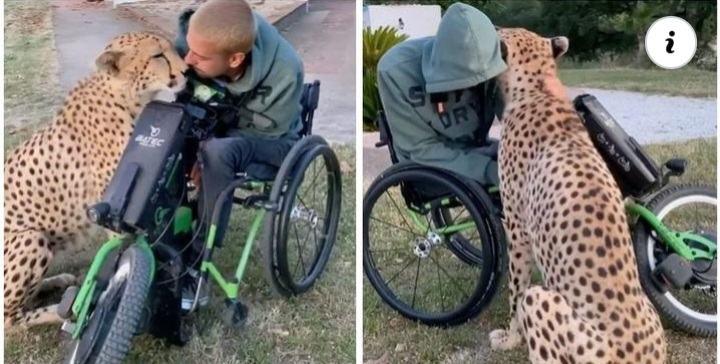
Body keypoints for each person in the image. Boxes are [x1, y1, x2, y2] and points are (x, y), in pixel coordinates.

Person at [174, 0, 304, 308]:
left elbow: (258, 135)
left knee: (219, 153)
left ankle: (199, 262)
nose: (187, 59)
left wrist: (206, 152)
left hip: (271, 139)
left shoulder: (285, 70)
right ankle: (166, 231)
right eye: (188, 48)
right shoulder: (200, 36)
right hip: (218, 119)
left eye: (199, 57)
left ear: (234, 59)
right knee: (167, 134)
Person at [376, 2, 506, 186]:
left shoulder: (493, 57)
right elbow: (421, 150)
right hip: (427, 167)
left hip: (475, 148)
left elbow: (515, 120)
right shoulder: (395, 70)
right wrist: (493, 171)